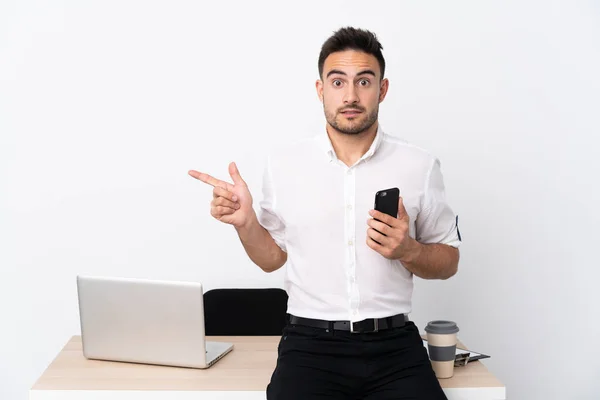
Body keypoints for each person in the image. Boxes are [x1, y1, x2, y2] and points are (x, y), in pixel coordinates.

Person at [189, 26, 461, 400]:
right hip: (310, 347)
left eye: (364, 81)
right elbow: (272, 260)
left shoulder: (420, 165)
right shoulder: (284, 164)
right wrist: (246, 224)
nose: (350, 95)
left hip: (394, 347)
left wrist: (409, 251)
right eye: (337, 82)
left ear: (382, 90)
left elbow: (449, 261)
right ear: (320, 90)